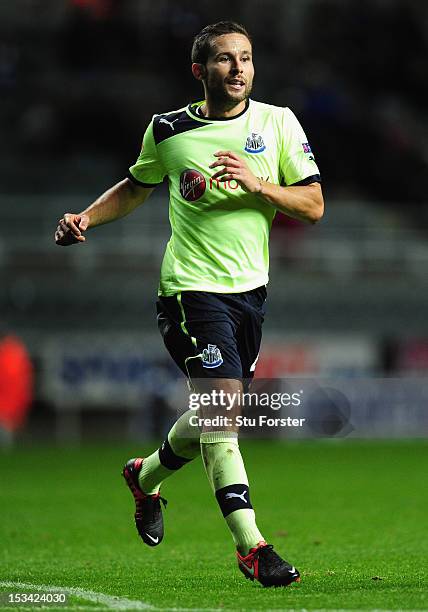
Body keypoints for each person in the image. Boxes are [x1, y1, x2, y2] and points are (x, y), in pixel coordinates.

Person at [55, 21, 324, 587]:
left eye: (247, 58)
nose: (239, 69)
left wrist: (261, 187)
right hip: (190, 291)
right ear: (200, 70)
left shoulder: (278, 123)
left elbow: (314, 205)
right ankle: (253, 547)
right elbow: (136, 185)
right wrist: (86, 217)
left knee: (213, 414)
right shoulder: (169, 130)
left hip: (249, 293)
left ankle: (144, 476)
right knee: (224, 417)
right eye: (225, 60)